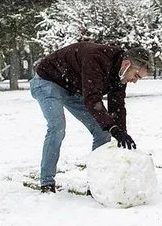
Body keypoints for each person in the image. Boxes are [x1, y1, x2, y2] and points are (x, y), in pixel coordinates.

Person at [30, 42, 151, 193]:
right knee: (57, 127)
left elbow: (117, 105)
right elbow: (92, 98)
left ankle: (95, 184)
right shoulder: (97, 57)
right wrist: (113, 128)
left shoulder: (120, 74)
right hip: (47, 81)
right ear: (126, 64)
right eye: (136, 75)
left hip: (73, 89)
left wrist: (121, 132)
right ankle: (47, 183)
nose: (135, 81)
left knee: (102, 131)